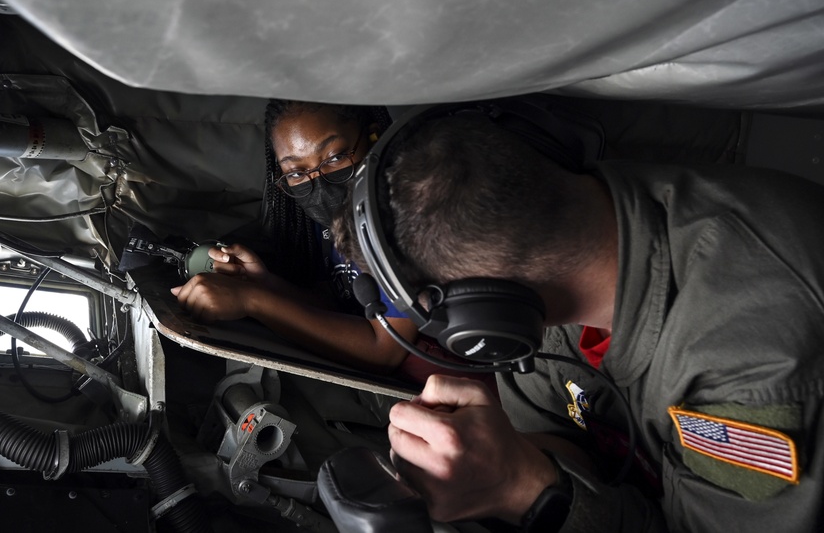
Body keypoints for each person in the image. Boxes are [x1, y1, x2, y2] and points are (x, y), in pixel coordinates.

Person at [333, 109, 824, 531]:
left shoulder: (746, 348)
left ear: (483, 312)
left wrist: (526, 492)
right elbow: (567, 433)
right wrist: (503, 454)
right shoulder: (568, 228)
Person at [170, 99, 421, 375]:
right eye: (297, 172)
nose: (319, 182)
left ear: (374, 137)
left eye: (335, 157)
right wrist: (263, 283)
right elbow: (336, 309)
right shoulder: (322, 224)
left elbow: (385, 349)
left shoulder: (403, 224)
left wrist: (251, 300)